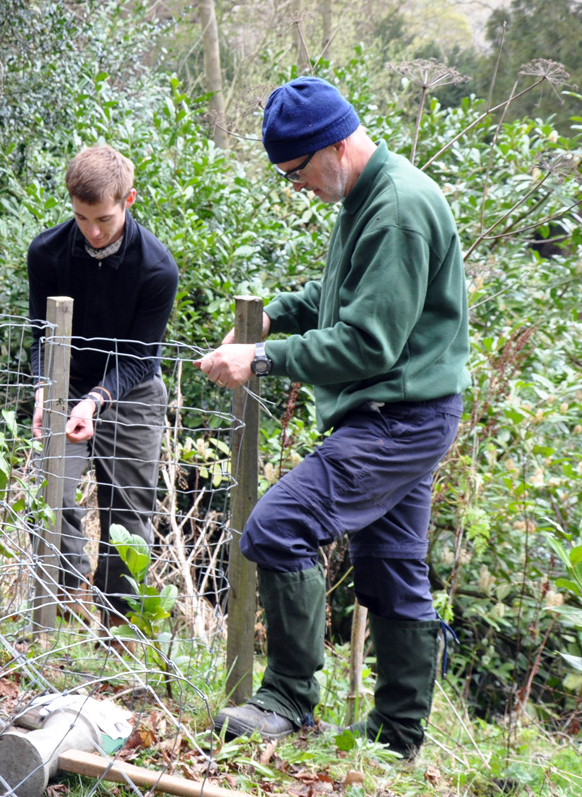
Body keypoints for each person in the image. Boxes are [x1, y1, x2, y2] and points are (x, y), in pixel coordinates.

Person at [195, 76, 469, 758]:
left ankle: (289, 698)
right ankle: (399, 736)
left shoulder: (398, 207)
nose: (298, 187)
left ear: (335, 146)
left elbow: (367, 340)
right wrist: (278, 310)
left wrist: (262, 358)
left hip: (399, 416)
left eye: (297, 172)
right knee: (395, 567)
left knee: (278, 527)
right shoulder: (369, 195)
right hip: (403, 410)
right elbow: (342, 293)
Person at [27, 144, 178, 635]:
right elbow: (41, 333)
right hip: (64, 381)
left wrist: (97, 400)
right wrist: (43, 388)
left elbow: (140, 357)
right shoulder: (47, 253)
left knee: (128, 513)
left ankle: (119, 625)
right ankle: (62, 603)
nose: (92, 232)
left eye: (104, 220)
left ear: (129, 200)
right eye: (82, 218)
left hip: (131, 391)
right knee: (52, 491)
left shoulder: (157, 269)